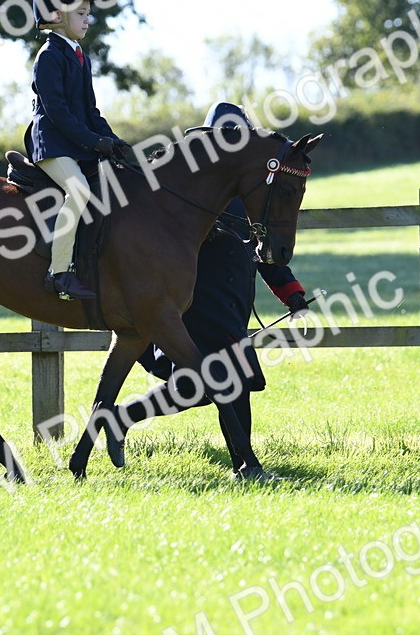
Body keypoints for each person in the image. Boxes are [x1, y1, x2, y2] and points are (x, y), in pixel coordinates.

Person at [126, 102, 311, 479]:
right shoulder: (185, 193)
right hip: (197, 306)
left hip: (232, 308)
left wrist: (295, 298)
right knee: (217, 384)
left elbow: (267, 256)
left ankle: (124, 418)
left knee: (211, 387)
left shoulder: (253, 196)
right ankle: (247, 466)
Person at [27, 0, 133, 301]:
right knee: (81, 191)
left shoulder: (79, 56)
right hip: (52, 143)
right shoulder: (48, 56)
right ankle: (59, 273)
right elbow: (58, 113)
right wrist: (93, 141)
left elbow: (90, 110)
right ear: (56, 15)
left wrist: (112, 140)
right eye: (82, 14)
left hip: (75, 141)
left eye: (89, 14)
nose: (88, 20)